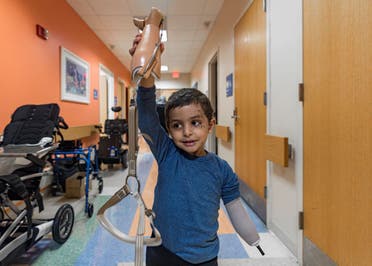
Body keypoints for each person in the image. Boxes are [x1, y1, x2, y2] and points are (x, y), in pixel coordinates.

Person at [130, 34, 261, 266]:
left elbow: (235, 208)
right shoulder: (167, 153)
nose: (187, 132)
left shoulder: (221, 169)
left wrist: (253, 239)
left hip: (204, 257)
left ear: (210, 125)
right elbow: (148, 118)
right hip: (162, 249)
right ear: (169, 130)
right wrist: (146, 76)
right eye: (177, 125)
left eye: (196, 123)